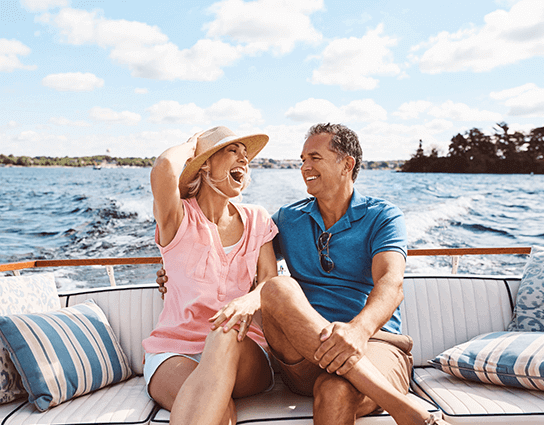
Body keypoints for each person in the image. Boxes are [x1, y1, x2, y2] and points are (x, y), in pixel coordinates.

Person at [157, 124, 446, 425]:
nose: (304, 167)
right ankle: (404, 409)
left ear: (347, 163)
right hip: (303, 357)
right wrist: (174, 271)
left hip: (373, 342)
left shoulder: (383, 217)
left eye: (314, 158)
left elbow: (391, 284)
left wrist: (358, 331)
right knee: (277, 287)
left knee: (335, 391)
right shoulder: (288, 219)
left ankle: (395, 402)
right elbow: (232, 251)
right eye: (302, 159)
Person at [143, 126, 279, 425]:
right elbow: (164, 168)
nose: (244, 160)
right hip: (175, 350)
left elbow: (270, 279)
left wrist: (249, 301)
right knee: (218, 413)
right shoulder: (178, 218)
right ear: (204, 164)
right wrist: (193, 145)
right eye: (233, 151)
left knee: (225, 335)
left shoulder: (258, 218)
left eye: (246, 156)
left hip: (244, 347)